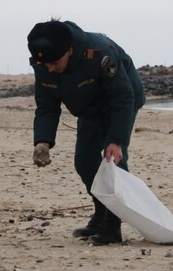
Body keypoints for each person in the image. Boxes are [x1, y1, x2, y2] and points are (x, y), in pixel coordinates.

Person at [27, 19, 145, 245]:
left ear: (70, 50)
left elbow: (122, 96)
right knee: (84, 162)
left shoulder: (101, 53)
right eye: (45, 64)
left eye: (54, 62)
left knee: (113, 162)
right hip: (88, 109)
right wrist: (42, 142)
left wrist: (116, 140)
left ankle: (112, 226)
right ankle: (101, 214)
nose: (49, 68)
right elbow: (46, 106)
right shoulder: (43, 63)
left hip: (120, 103)